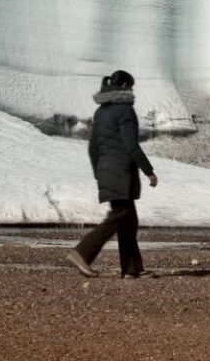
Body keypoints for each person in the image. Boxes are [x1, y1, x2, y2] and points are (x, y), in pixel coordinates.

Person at [67, 69, 157, 278]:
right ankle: (82, 253)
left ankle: (132, 270)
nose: (133, 91)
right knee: (119, 215)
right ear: (125, 86)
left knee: (129, 219)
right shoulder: (125, 111)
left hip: (107, 170)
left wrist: (99, 173)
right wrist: (149, 171)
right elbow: (131, 146)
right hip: (121, 170)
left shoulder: (101, 112)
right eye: (131, 87)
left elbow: (93, 148)